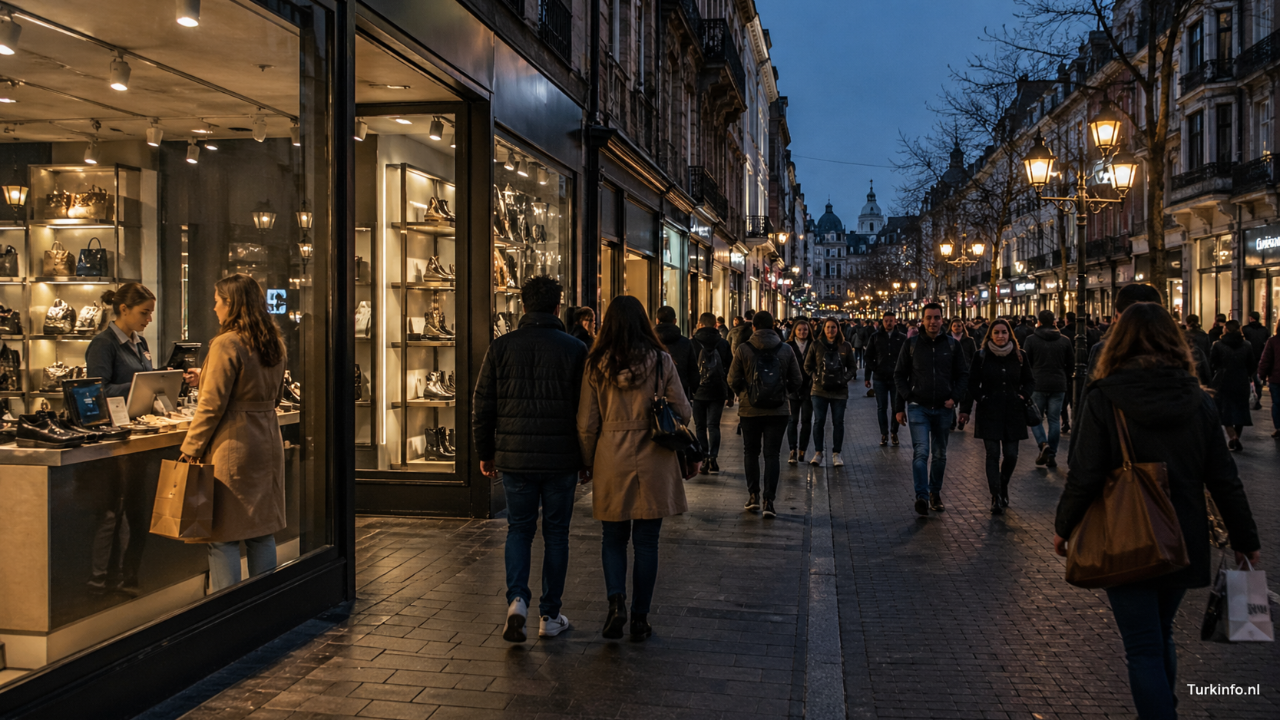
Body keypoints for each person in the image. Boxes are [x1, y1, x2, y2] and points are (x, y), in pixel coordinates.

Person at [1053, 302, 1259, 720]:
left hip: (1124, 532)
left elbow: (1085, 473)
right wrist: (1246, 542)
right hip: (1183, 535)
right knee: (1160, 633)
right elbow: (1224, 478)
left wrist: (1064, 526)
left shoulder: (1104, 397)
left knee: (1142, 646)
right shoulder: (1199, 400)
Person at [473, 276, 587, 642]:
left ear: (523, 306)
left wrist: (485, 453)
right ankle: (550, 615)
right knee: (556, 534)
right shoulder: (574, 349)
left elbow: (483, 405)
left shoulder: (501, 347)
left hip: (515, 458)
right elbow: (586, 412)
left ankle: (517, 600)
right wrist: (587, 458)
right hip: (561, 459)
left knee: (519, 529)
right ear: (558, 307)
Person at [577, 295, 694, 641]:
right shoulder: (661, 361)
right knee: (647, 541)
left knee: (612, 537)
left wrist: (587, 461)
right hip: (654, 456)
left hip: (611, 454)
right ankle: (641, 617)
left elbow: (587, 422)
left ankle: (616, 604)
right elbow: (684, 411)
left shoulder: (596, 364)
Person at [178, 274, 287, 593]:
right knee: (260, 531)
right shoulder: (273, 342)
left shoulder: (226, 342)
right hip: (266, 439)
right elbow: (275, 395)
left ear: (231, 304)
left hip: (233, 445)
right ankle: (264, 600)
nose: (214, 308)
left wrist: (192, 447)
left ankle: (226, 607)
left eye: (217, 301)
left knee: (222, 535)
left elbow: (211, 406)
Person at [894, 303, 970, 515]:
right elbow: (899, 374)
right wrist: (904, 402)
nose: (933, 322)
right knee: (921, 452)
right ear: (922, 320)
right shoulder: (912, 344)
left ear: (942, 320)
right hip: (919, 407)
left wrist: (955, 398)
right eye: (929, 318)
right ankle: (922, 496)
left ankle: (935, 492)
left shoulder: (952, 345)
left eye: (936, 318)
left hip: (944, 408)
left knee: (939, 454)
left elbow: (963, 374)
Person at [727, 311, 802, 518]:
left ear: (754, 327)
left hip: (750, 410)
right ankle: (769, 501)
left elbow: (732, 379)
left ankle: (753, 496)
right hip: (778, 410)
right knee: (772, 455)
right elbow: (797, 380)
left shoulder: (744, 349)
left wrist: (744, 393)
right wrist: (783, 392)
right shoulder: (785, 349)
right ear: (773, 327)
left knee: (751, 452)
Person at [958, 319, 1034, 515]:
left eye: (1004, 332)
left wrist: (1023, 395)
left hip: (1013, 412)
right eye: (997, 332)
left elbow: (1029, 381)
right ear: (990, 335)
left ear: (1010, 334)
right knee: (992, 455)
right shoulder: (981, 356)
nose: (1001, 336)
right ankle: (995, 496)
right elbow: (972, 382)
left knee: (1011, 455)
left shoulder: (1020, 355)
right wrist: (980, 398)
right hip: (989, 412)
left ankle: (1003, 484)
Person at [86, 283, 159, 398]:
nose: (149, 319)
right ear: (124, 309)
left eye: (150, 313)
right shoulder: (103, 344)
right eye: (144, 313)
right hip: (116, 414)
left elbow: (139, 375)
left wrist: (164, 376)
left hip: (140, 414)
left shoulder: (141, 342)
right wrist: (140, 386)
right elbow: (98, 390)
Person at [1023, 309, 1073, 469]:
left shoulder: (1031, 340)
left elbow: (1026, 364)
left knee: (1036, 419)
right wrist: (1063, 376)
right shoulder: (1064, 340)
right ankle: (1052, 455)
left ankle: (1043, 444)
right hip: (1058, 384)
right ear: (1054, 322)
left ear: (1038, 322)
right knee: (1054, 420)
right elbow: (1070, 364)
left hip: (1038, 384)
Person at [805, 317, 856, 467]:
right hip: (819, 390)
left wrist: (843, 379)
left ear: (838, 329)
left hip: (839, 391)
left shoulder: (845, 346)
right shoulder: (816, 345)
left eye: (833, 327)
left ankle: (837, 453)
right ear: (823, 329)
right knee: (819, 421)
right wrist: (816, 378)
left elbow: (852, 367)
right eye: (828, 327)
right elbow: (807, 365)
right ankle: (818, 453)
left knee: (838, 422)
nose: (830, 330)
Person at [690, 311, 731, 473]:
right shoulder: (723, 344)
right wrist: (730, 393)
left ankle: (704, 457)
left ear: (700, 324)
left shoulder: (692, 343)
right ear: (715, 325)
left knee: (700, 426)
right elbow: (730, 368)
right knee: (713, 425)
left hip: (698, 391)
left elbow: (690, 369)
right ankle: (713, 458)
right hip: (718, 391)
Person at [1210, 319, 1255, 451]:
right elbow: (1252, 364)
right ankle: (1237, 437)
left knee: (1224, 411)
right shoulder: (1246, 345)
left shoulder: (1218, 345)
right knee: (1240, 410)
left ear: (1226, 330)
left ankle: (1233, 437)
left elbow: (1213, 363)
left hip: (1223, 381)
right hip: (1241, 381)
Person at [864, 312, 907, 446]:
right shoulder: (875, 337)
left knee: (896, 407)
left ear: (895, 322)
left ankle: (894, 432)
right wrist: (871, 372)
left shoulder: (902, 338)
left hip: (896, 379)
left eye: (891, 321)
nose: (889, 323)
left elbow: (907, 358)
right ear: (882, 322)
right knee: (881, 407)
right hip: (880, 378)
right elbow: (868, 356)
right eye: (886, 321)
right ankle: (884, 434)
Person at [785, 318, 815, 464]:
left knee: (806, 421)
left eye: (805, 330)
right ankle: (792, 449)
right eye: (799, 330)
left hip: (809, 388)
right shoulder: (788, 346)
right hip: (792, 388)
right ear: (794, 331)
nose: (802, 332)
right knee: (792, 420)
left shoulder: (814, 345)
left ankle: (803, 449)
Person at [654, 305, 698, 400]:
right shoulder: (685, 342)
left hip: (655, 393)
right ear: (675, 321)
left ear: (657, 320)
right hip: (680, 391)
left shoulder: (649, 342)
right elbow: (692, 369)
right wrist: (695, 389)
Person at [947, 318, 978, 431]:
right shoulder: (947, 340)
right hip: (950, 372)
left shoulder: (969, 340)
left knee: (965, 396)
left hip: (965, 371)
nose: (956, 327)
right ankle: (952, 421)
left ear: (963, 327)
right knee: (951, 396)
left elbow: (974, 355)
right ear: (951, 327)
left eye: (959, 326)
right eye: (954, 325)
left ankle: (962, 418)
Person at [1242, 311, 1271, 409]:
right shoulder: (1264, 330)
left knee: (1247, 380)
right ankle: (1257, 400)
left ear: (1251, 318)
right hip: (1260, 357)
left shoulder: (1245, 329)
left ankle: (1248, 400)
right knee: (1257, 381)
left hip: (1248, 358)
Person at [1258, 319, 1280, 438]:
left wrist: (1262, 374)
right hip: (1275, 377)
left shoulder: (1273, 341)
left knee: (1277, 404)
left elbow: (1266, 359)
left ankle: (1278, 427)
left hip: (1276, 378)